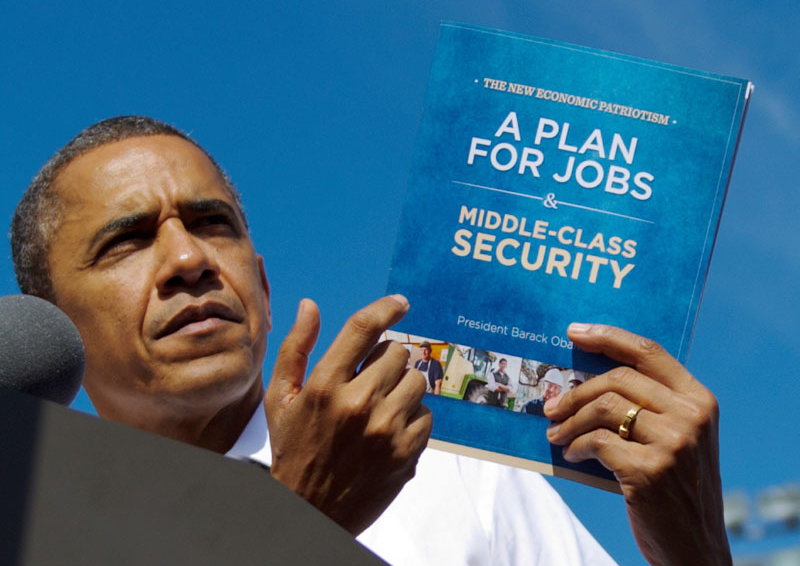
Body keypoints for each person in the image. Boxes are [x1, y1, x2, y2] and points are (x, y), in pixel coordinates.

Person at [11, 116, 732, 565]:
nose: (189, 260)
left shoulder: (449, 468)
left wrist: (695, 551)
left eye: (212, 223)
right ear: (52, 328)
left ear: (261, 289)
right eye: (128, 241)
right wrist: (296, 519)